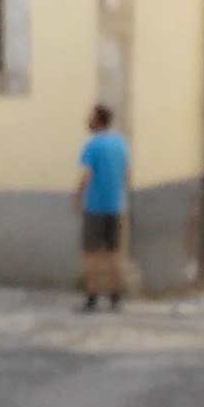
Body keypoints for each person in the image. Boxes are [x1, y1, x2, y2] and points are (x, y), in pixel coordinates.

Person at [75, 103, 129, 310]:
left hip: (95, 205)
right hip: (114, 205)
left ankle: (92, 296)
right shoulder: (120, 144)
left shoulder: (92, 145)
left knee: (91, 253)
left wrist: (78, 195)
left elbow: (87, 174)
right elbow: (125, 173)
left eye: (91, 116)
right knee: (115, 252)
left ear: (98, 120)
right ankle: (115, 297)